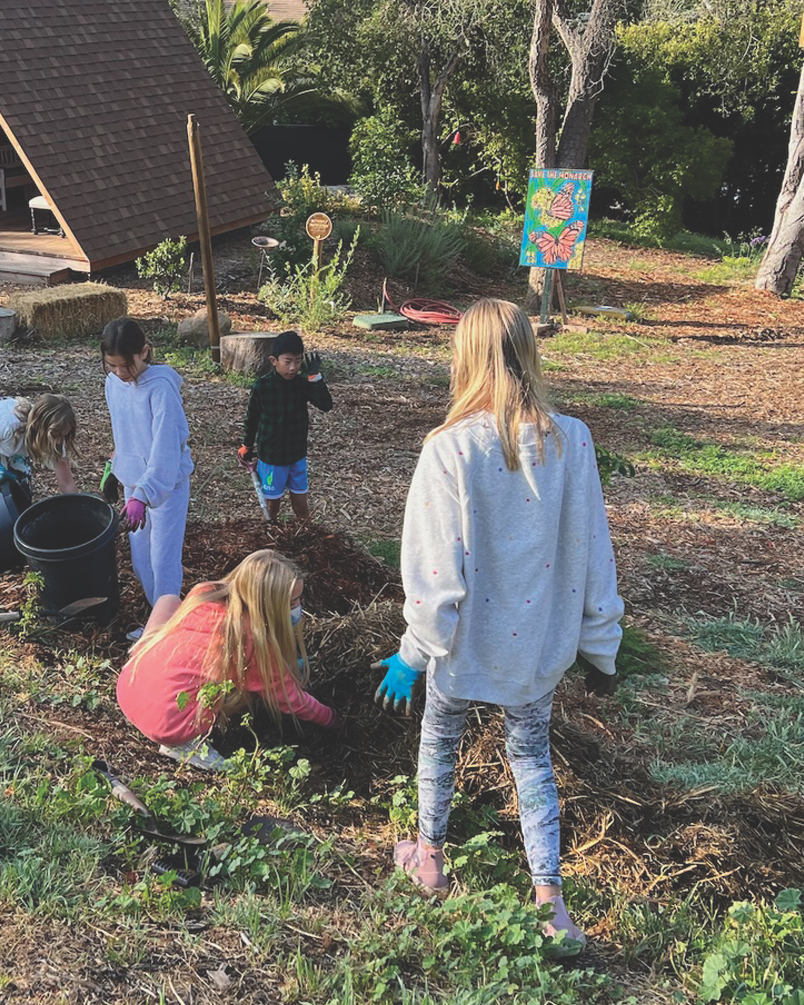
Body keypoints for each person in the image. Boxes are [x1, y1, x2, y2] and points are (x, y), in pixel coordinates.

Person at [373, 298, 623, 957]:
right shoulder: (571, 440)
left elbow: (434, 571)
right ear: (527, 350)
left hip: (461, 648)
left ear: (463, 357)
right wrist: (601, 648)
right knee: (531, 758)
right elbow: (591, 550)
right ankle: (550, 902)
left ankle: (429, 857)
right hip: (538, 648)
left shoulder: (450, 447)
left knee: (438, 737)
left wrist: (413, 651)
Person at [116, 549, 339, 771]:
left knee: (169, 600)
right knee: (242, 688)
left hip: (128, 687)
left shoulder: (206, 592)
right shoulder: (255, 643)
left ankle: (142, 655)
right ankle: (184, 745)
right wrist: (332, 719)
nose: (298, 606)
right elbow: (292, 699)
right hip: (166, 725)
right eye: (292, 602)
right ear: (268, 603)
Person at [101, 317, 194, 629]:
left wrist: (144, 493)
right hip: (133, 481)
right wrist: (117, 466)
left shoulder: (162, 390)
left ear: (144, 352)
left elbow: (165, 450)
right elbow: (125, 432)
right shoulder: (114, 382)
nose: (119, 373)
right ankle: (161, 623)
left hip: (166, 485)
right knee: (141, 558)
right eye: (111, 365)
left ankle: (168, 631)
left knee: (162, 558)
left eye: (125, 365)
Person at [238, 330, 333, 523]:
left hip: (296, 456)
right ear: (274, 360)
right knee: (271, 507)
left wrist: (315, 377)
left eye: (298, 361)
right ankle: (270, 542)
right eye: (287, 361)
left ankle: (306, 539)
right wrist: (246, 445)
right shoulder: (262, 386)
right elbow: (252, 417)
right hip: (272, 458)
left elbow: (326, 405)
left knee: (301, 506)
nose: (293, 367)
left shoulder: (302, 384)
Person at [0, 394, 78, 507]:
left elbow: (66, 482)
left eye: (64, 435)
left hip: (10, 444)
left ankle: (14, 528)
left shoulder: (57, 437)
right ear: (40, 427)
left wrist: (79, 506)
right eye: (56, 436)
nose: (60, 441)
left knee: (21, 492)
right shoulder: (7, 424)